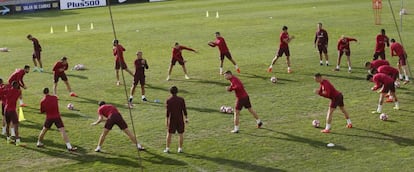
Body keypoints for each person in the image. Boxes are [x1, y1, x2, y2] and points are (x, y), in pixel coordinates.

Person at [164, 86, 188, 153]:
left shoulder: (169, 100)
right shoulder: (181, 99)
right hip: (180, 119)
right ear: (177, 92)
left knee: (169, 134)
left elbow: (168, 112)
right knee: (181, 134)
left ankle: (167, 148)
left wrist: (166, 120)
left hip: (172, 119)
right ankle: (180, 148)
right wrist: (186, 118)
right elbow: (184, 109)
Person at [4, 81, 24, 146]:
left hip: (6, 109)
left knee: (7, 124)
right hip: (12, 110)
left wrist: (6, 86)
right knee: (16, 125)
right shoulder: (18, 92)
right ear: (16, 85)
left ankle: (8, 139)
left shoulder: (7, 90)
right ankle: (17, 141)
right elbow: (20, 96)